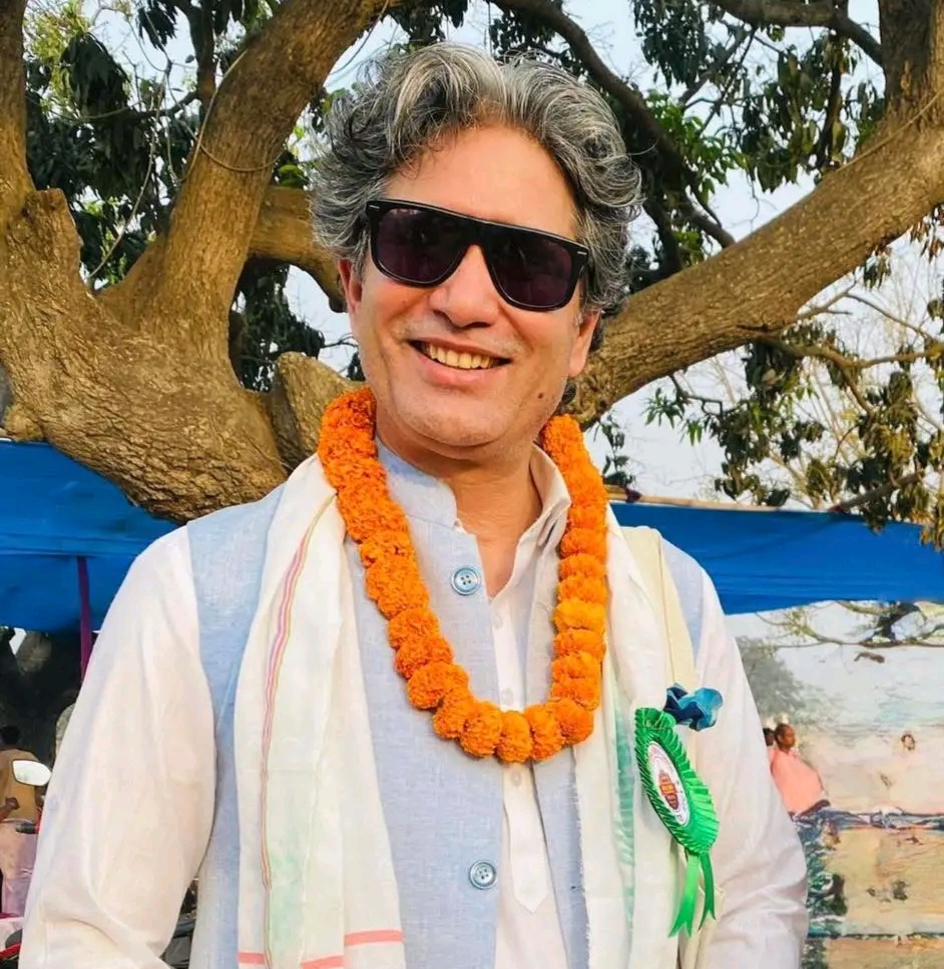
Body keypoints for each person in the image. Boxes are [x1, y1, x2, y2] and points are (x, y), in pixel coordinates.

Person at [22, 43, 807, 969]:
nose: (466, 300)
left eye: (529, 263)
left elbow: (755, 892)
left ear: (582, 330)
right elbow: (85, 939)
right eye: (420, 242)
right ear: (355, 281)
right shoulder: (198, 598)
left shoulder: (672, 606)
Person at [0, 726, 39, 917]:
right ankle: (28, 914)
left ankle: (13, 917)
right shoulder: (31, 759)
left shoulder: (2, 758)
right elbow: (39, 789)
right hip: (30, 820)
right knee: (29, 871)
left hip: (8, 820)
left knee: (11, 874)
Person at [770, 723, 829, 817]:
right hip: (791, 807)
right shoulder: (776, 757)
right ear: (780, 738)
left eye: (793, 736)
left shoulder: (793, 755)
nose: (793, 739)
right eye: (789, 736)